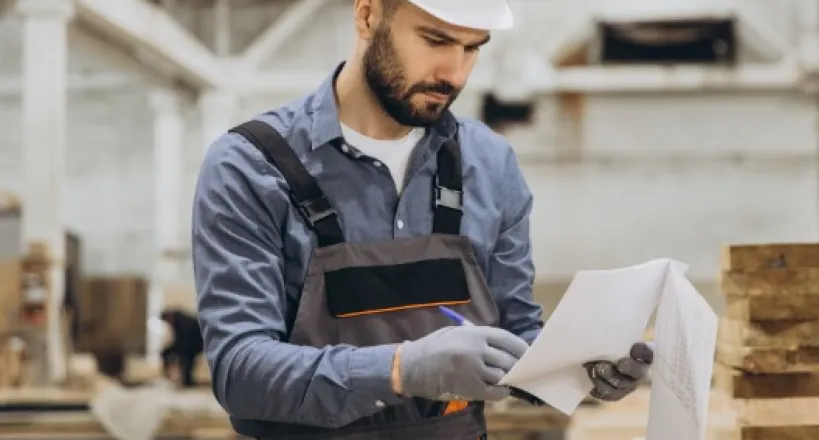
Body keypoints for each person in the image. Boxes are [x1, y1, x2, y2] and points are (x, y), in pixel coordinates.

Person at [190, 0, 655, 438]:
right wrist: (400, 370)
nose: (454, 73)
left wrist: (576, 369)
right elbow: (239, 372)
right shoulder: (251, 166)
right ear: (368, 13)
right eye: (435, 40)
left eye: (472, 48)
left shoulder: (489, 164)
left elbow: (517, 335)